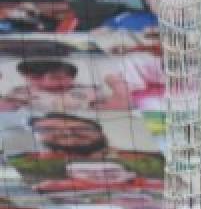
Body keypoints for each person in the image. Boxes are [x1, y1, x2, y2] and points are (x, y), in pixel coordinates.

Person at [8, 112, 163, 182]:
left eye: (80, 128)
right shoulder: (22, 164)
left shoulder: (154, 160)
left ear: (103, 135)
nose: (68, 132)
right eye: (50, 130)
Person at [0, 58, 132, 112]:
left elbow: (121, 106)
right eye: (36, 78)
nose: (47, 83)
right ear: (26, 77)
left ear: (72, 77)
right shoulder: (19, 92)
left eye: (58, 78)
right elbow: (5, 108)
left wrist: (117, 83)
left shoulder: (89, 90)